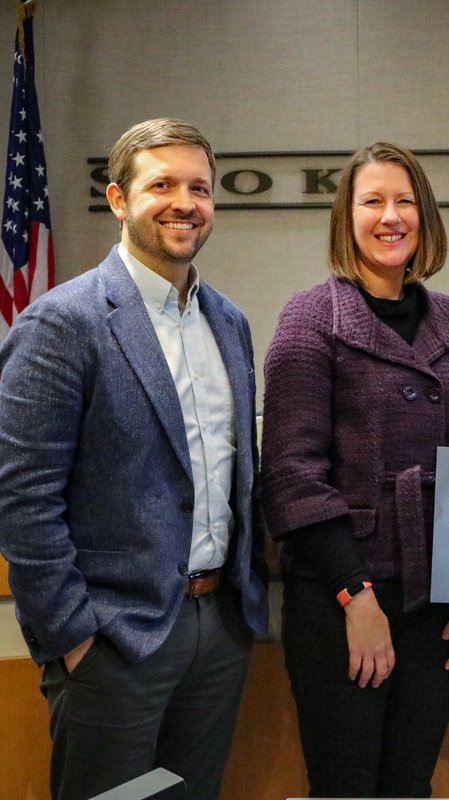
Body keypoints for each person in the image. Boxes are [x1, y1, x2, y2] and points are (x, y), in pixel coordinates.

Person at [0, 118, 268, 800]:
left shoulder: (228, 321)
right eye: (163, 185)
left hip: (218, 633)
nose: (185, 202)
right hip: (113, 642)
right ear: (120, 199)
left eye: (200, 187)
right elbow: (23, 498)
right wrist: (74, 637)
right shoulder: (63, 323)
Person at [260, 142, 449, 798]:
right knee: (346, 787)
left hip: (434, 603)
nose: (390, 216)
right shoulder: (310, 320)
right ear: (347, 216)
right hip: (342, 599)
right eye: (373, 201)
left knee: (408, 786)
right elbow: (289, 473)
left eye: (404, 200)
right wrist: (353, 596)